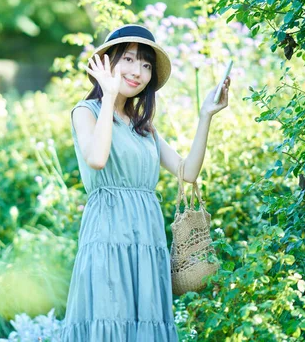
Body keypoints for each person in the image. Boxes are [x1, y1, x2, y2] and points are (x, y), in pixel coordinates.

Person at [60, 24, 231, 341]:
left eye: (146, 64)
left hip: (147, 238)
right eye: (128, 59)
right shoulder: (86, 112)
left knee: (144, 324)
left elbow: (187, 171)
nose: (137, 71)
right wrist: (109, 95)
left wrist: (206, 115)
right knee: (109, 316)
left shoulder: (144, 128)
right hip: (108, 234)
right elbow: (97, 158)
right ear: (109, 63)